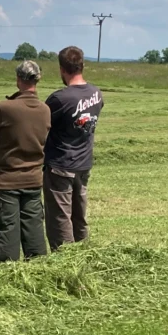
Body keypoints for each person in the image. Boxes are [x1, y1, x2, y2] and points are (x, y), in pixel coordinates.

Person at [0, 60, 51, 264]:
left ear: (18, 79)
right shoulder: (45, 110)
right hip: (33, 178)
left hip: (7, 180)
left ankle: (7, 269)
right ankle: (38, 268)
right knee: (34, 227)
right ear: (37, 80)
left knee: (7, 228)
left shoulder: (5, 108)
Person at [43, 45, 104, 251]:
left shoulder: (59, 98)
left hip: (61, 165)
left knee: (60, 218)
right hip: (84, 164)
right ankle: (84, 254)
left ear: (62, 69)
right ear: (82, 65)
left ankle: (65, 260)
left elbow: (42, 123)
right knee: (80, 217)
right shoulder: (96, 93)